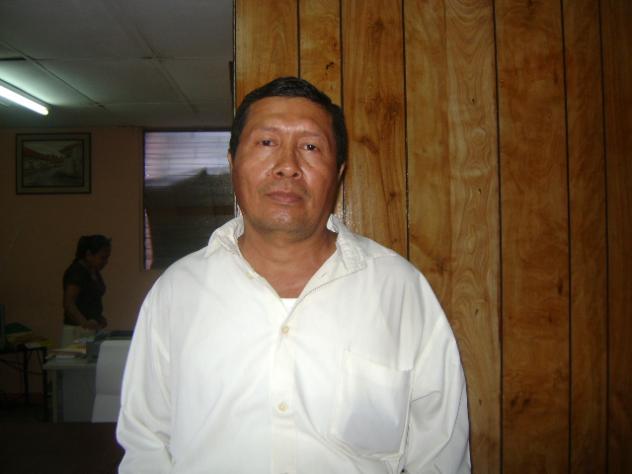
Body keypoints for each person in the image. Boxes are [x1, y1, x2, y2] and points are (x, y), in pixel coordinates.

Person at [117, 77, 470, 473]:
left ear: (338, 172)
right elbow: (146, 444)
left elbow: (440, 455)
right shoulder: (176, 292)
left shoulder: (400, 290)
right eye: (267, 142)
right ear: (232, 163)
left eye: (310, 147)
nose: (288, 166)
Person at [61, 234, 111, 346]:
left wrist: (98, 318)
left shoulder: (93, 271)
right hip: (76, 331)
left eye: (107, 258)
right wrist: (85, 323)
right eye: (102, 258)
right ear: (88, 254)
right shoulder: (76, 272)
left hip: (89, 330)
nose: (106, 262)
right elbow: (69, 304)